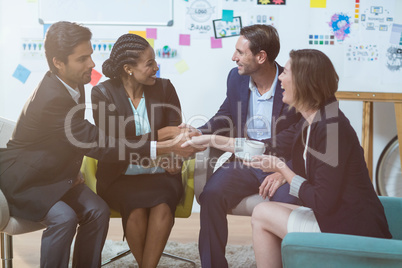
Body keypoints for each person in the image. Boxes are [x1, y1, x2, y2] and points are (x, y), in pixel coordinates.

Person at [0, 21, 199, 268]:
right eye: (83, 59)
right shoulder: (53, 98)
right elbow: (99, 142)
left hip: (58, 175)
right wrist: (162, 145)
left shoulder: (74, 83)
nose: (92, 64)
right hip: (28, 181)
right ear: (58, 63)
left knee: (98, 210)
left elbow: (68, 140)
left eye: (91, 56)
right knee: (64, 218)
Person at [244, 49, 392, 268]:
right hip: (336, 216)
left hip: (350, 229)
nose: (280, 78)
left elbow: (322, 201)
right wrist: (282, 174)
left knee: (263, 214)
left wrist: (284, 170)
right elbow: (320, 172)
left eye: (285, 72)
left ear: (305, 81)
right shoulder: (314, 120)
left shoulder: (331, 129)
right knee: (263, 211)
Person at [184, 24, 301, 268]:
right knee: (211, 195)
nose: (233, 57)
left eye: (240, 52)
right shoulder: (236, 78)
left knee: (284, 202)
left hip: (280, 164)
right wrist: (201, 131)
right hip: (244, 162)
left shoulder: (291, 83)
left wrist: (280, 167)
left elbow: (297, 134)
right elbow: (225, 113)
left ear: (261, 57)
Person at [91, 33, 193, 268]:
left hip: (161, 173)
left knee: (162, 205)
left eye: (155, 62)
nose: (156, 68)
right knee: (135, 210)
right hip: (119, 175)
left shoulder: (165, 88)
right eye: (149, 64)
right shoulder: (102, 94)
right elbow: (117, 144)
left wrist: (176, 155)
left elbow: (176, 134)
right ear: (128, 68)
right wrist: (164, 133)